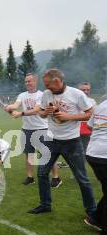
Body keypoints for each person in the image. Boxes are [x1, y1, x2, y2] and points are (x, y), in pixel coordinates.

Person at [29, 69, 97, 224]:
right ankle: (45, 205)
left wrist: (69, 117)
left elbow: (90, 113)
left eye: (48, 84)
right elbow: (41, 113)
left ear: (58, 81)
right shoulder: (47, 94)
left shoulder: (76, 94)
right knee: (41, 173)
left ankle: (92, 212)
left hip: (71, 142)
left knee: (82, 179)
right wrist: (46, 111)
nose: (46, 88)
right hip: (51, 140)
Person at [5, 73, 62, 187]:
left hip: (42, 128)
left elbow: (37, 109)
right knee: (29, 154)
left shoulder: (42, 95)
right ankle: (30, 177)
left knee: (47, 154)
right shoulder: (22, 95)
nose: (28, 83)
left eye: (30, 81)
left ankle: (56, 178)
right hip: (27, 129)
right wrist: (9, 107)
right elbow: (16, 105)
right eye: (26, 81)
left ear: (35, 82)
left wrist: (21, 113)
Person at [86, 97, 107, 235]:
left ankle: (95, 218)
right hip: (103, 155)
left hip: (93, 153)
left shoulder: (101, 105)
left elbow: (90, 126)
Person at [78, 82, 97, 153]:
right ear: (78, 90)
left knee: (85, 148)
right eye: (83, 90)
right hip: (75, 128)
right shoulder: (74, 100)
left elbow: (95, 116)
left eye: (88, 90)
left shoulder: (92, 101)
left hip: (87, 127)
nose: (86, 92)